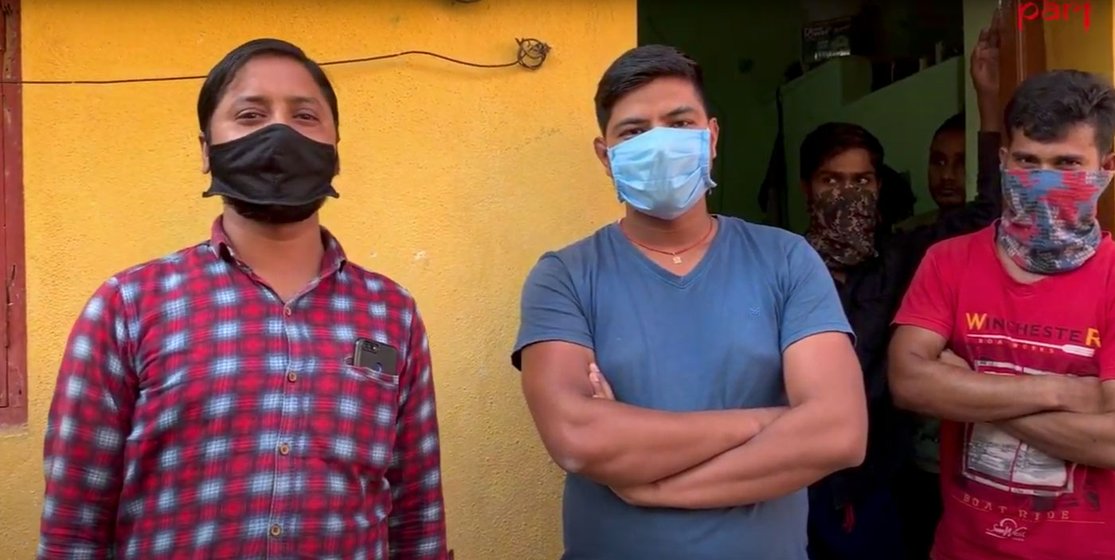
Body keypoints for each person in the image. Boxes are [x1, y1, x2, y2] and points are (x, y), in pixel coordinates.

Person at [37, 39, 449, 559]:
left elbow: (417, 513)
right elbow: (74, 524)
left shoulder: (393, 314)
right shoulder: (128, 305)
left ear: (335, 148)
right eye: (250, 115)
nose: (279, 134)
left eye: (304, 115)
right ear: (207, 150)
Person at [512, 44, 867, 560]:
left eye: (679, 123)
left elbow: (839, 432)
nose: (659, 144)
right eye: (634, 132)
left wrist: (652, 486)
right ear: (604, 155)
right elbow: (575, 436)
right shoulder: (565, 276)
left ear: (712, 137)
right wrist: (769, 420)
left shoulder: (786, 260)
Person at [799, 15, 1004, 560]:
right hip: (793, 482)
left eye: (861, 181)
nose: (847, 194)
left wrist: (986, 97)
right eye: (831, 181)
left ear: (879, 186)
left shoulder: (903, 256)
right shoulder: (780, 265)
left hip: (875, 484)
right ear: (806, 189)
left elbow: (987, 212)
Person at [888, 68, 1115, 560]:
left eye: (1068, 164)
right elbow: (908, 381)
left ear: (1107, 167)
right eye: (1029, 161)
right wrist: (1063, 393)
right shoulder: (948, 261)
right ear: (1003, 160)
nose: (1044, 181)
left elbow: (1111, 444)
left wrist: (968, 386)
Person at [895, 113, 968, 233]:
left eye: (961, 162)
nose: (946, 175)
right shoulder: (908, 233)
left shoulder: (999, 236)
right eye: (939, 161)